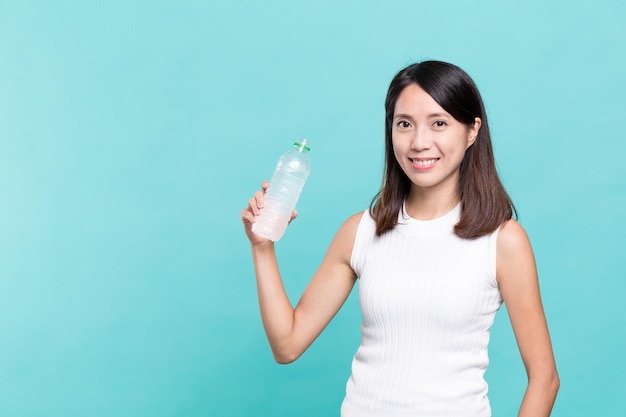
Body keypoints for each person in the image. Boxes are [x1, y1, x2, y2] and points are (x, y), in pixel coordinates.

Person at [241, 60, 559, 417]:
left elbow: (544, 378)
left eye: (439, 123)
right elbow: (287, 345)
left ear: (472, 131)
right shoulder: (360, 232)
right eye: (404, 124)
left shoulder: (502, 241)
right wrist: (262, 247)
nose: (419, 142)